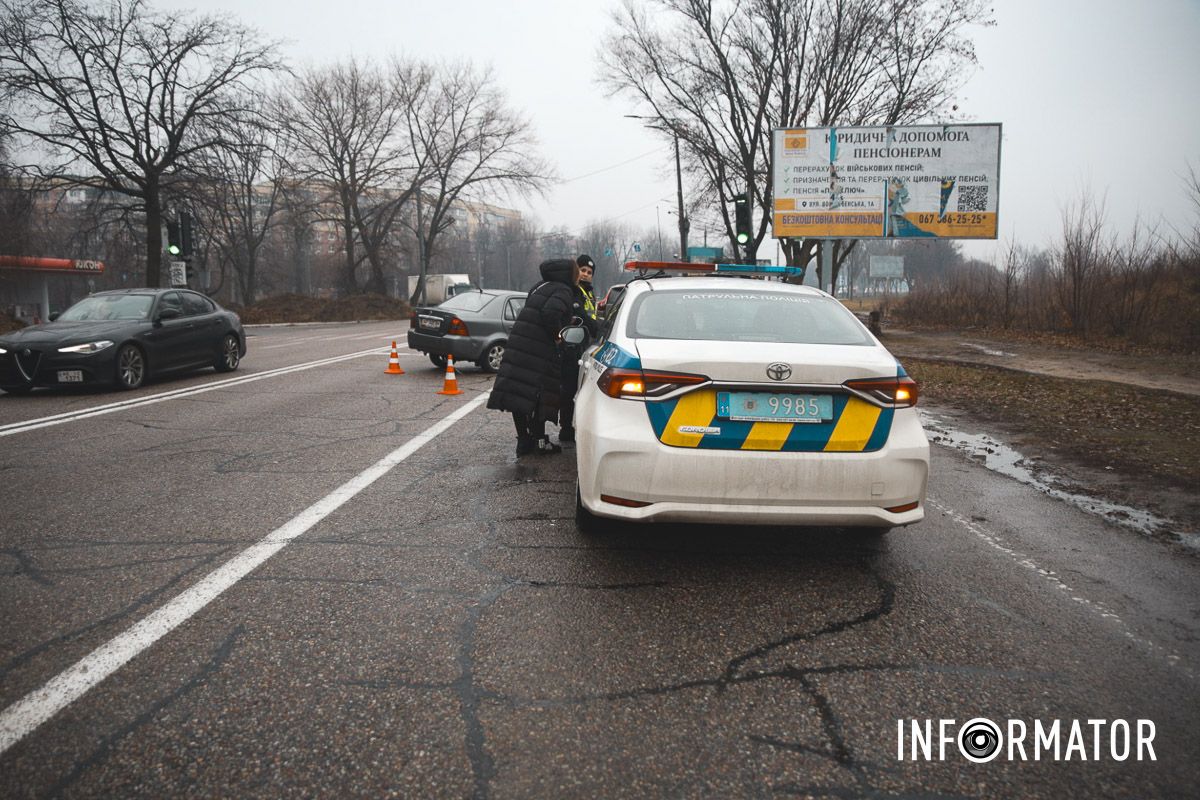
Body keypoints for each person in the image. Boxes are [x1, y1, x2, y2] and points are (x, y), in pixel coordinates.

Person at [487, 258, 578, 456]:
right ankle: (539, 441)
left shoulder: (539, 286)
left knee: (519, 393)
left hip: (519, 345)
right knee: (540, 396)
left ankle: (524, 441)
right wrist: (558, 336)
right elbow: (550, 313)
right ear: (568, 274)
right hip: (539, 351)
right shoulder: (563, 290)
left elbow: (537, 311)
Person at [559, 255, 599, 444]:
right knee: (568, 389)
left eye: (589, 272)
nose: (585, 274)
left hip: (586, 346)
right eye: (582, 270)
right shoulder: (573, 291)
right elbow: (581, 315)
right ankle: (566, 428)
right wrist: (599, 328)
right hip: (572, 346)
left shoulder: (589, 293)